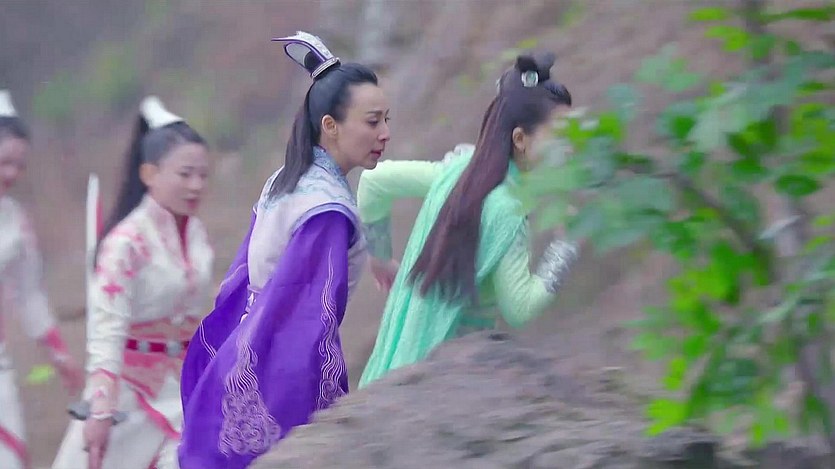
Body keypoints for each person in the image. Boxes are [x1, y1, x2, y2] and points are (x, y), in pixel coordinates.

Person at [177, 31, 389, 469]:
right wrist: (326, 403)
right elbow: (309, 321)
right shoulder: (326, 210)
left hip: (245, 348)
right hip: (277, 373)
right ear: (330, 126)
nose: (384, 133)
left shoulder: (288, 179)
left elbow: (240, 278)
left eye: (386, 120)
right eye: (372, 122)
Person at [358, 53, 578, 388]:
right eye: (560, 137)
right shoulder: (508, 208)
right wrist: (566, 247)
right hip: (444, 382)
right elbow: (520, 307)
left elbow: (374, 183)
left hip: (400, 363)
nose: (570, 148)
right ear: (520, 139)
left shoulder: (460, 171)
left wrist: (380, 257)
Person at [52, 95, 214, 469]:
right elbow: (107, 330)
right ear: (149, 174)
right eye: (185, 174)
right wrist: (101, 409)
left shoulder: (197, 235)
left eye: (203, 175)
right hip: (131, 395)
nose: (195, 185)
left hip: (185, 389)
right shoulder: (126, 243)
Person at [0, 89, 83, 469]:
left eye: (19, 165)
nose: (11, 174)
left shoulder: (14, 221)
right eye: (4, 162)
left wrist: (58, 353)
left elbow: (29, 295)